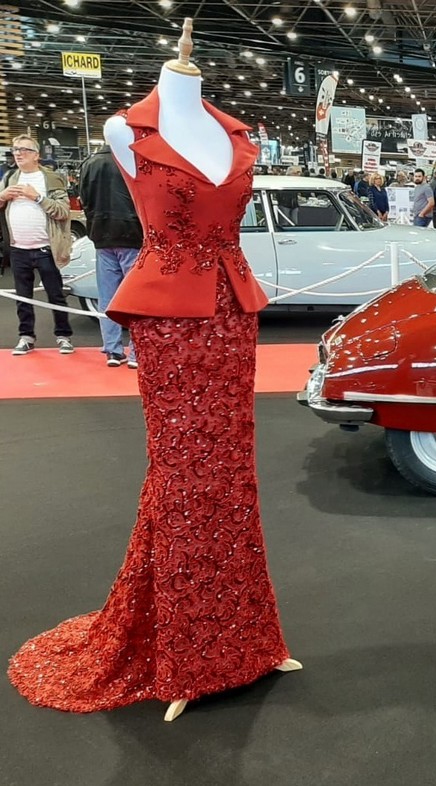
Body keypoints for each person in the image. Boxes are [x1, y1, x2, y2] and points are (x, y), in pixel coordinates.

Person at [8, 35, 294, 715]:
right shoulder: (124, 131)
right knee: (183, 475)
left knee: (232, 479)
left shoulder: (236, 135)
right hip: (169, 321)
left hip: (232, 316)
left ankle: (251, 642)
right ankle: (189, 658)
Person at [0, 133, 74, 356]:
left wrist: (37, 197)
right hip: (18, 249)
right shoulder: (10, 177)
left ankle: (63, 336)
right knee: (22, 298)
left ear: (36, 155)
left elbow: (63, 211)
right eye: (15, 149)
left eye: (24, 149)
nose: (18, 153)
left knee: (56, 295)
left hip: (46, 249)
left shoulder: (51, 179)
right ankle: (26, 337)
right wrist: (2, 196)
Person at [79, 143, 144, 367]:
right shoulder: (132, 160)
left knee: (107, 297)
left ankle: (113, 351)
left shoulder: (89, 163)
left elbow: (84, 199)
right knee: (136, 297)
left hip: (101, 236)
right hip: (132, 235)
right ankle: (136, 353)